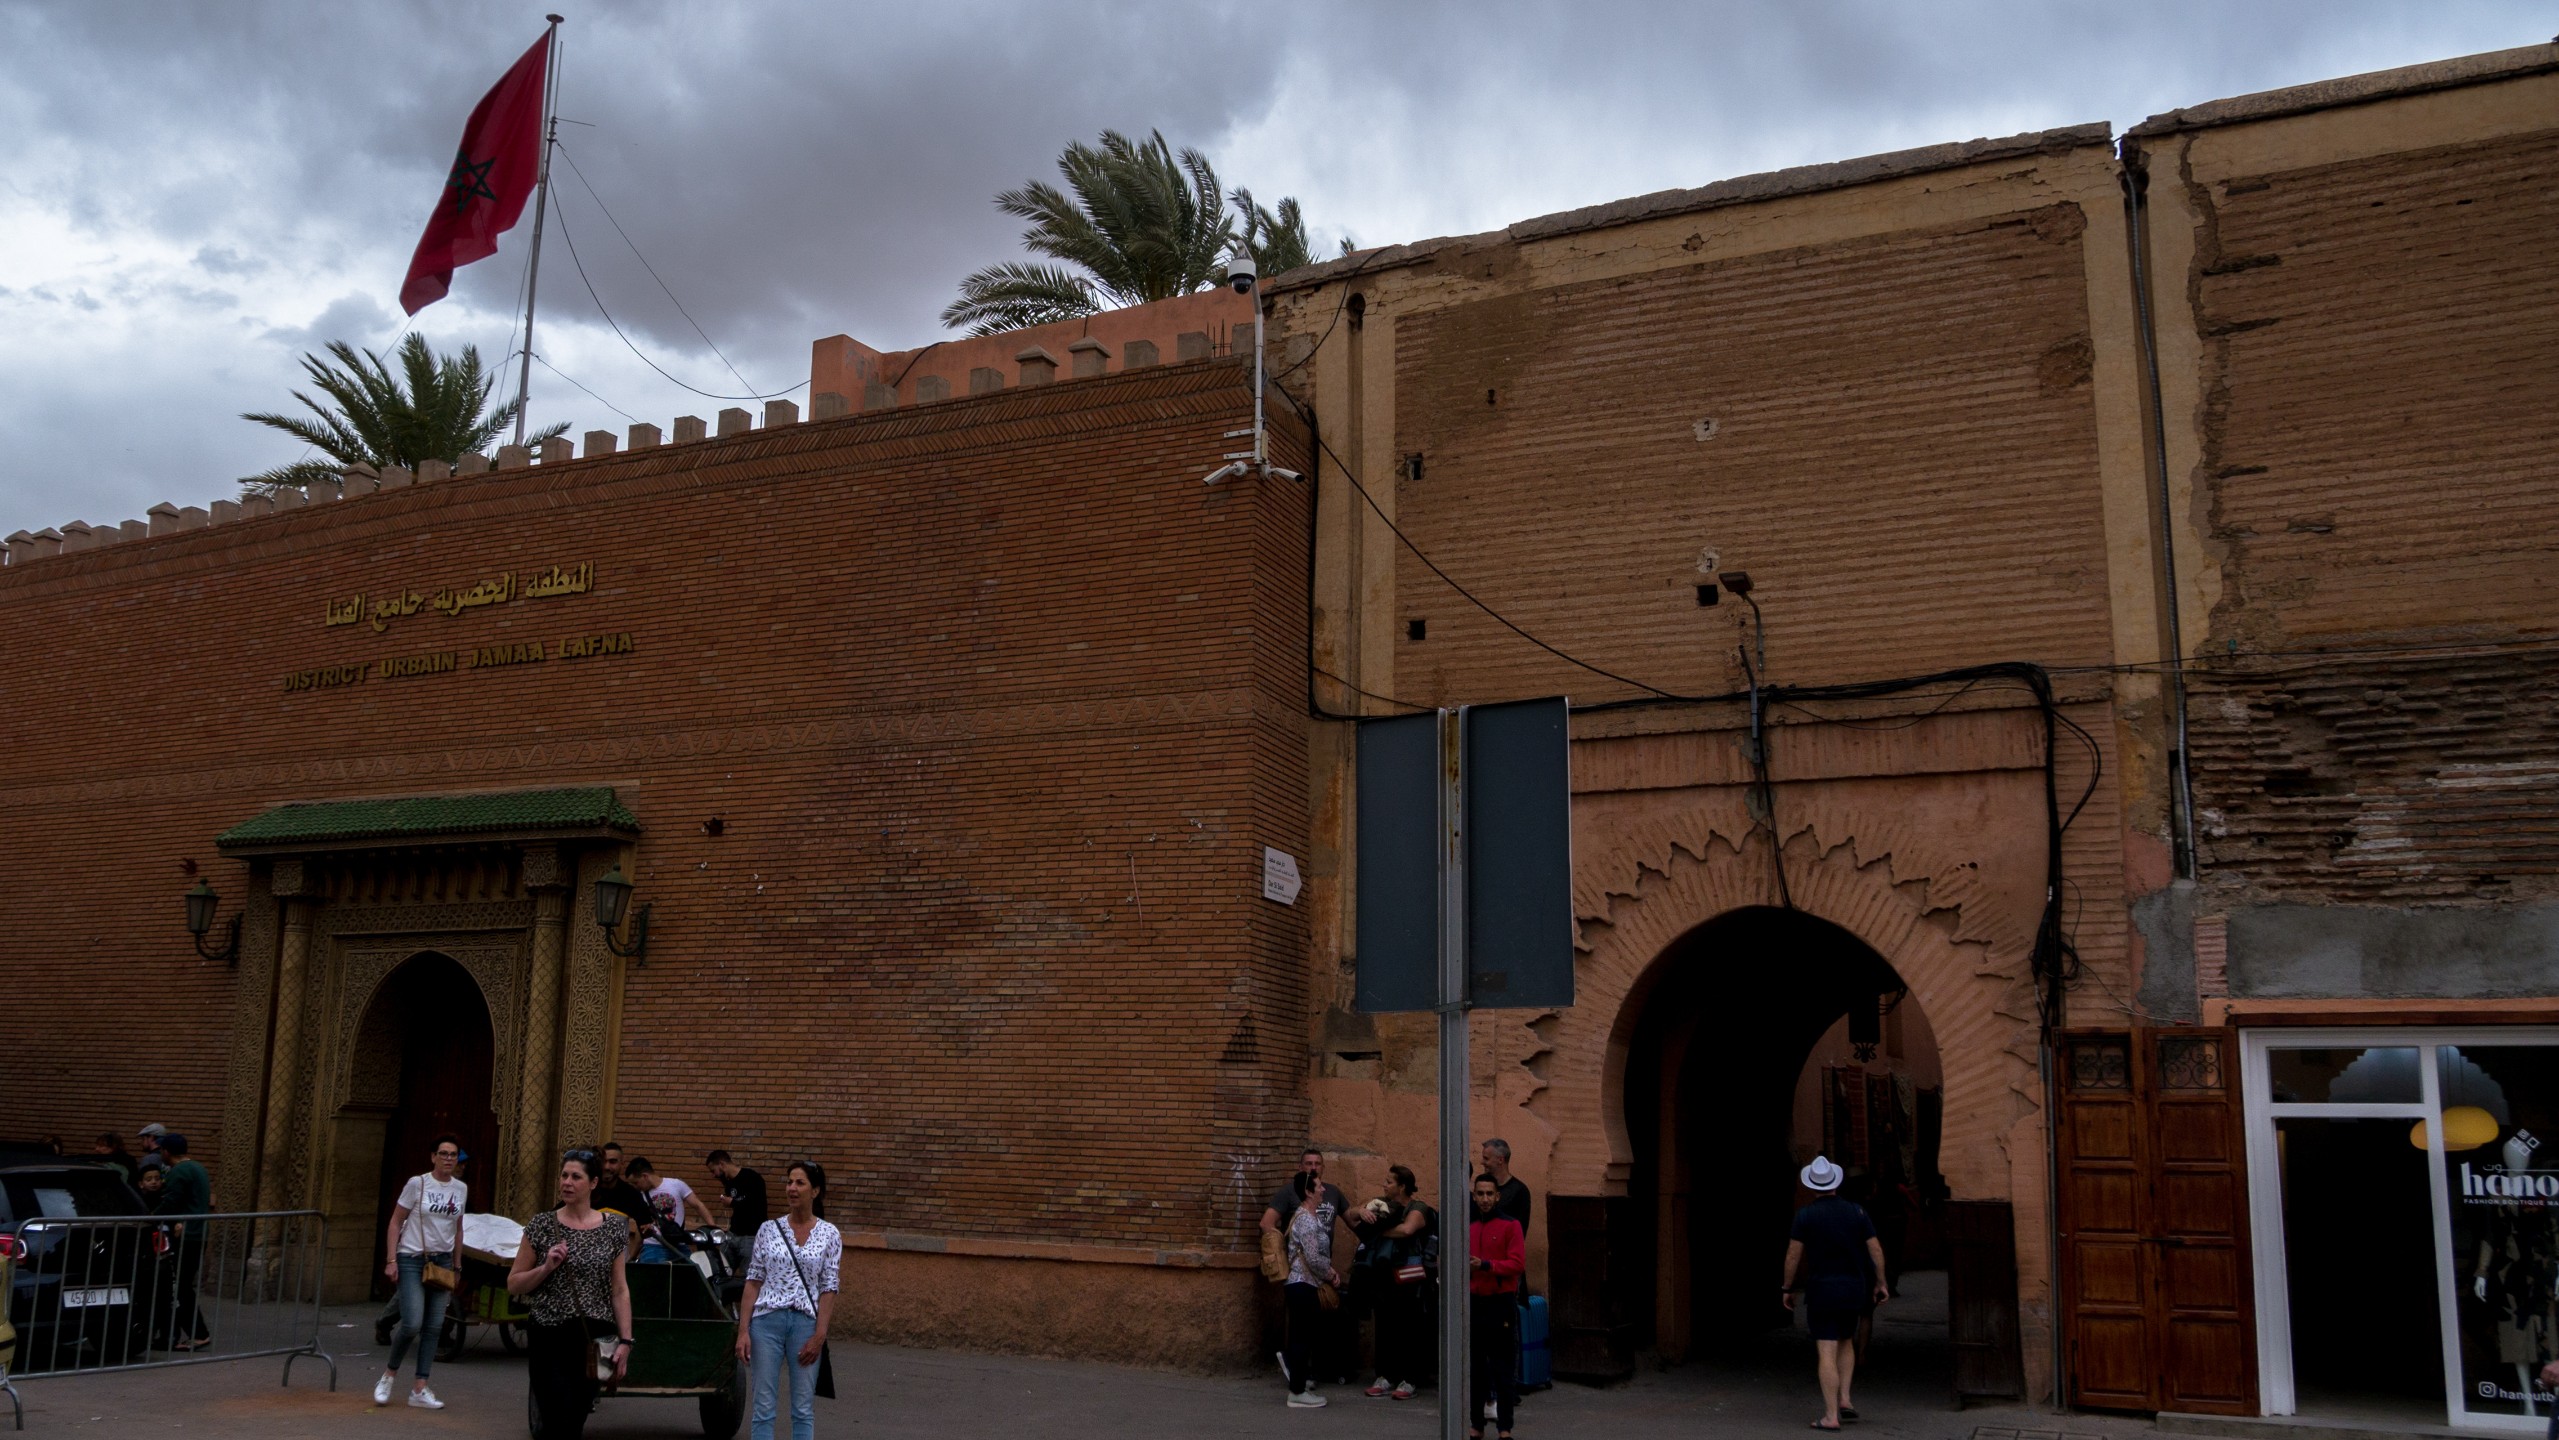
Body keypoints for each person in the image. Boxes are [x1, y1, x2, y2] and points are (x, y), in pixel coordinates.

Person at [510, 1149, 634, 1440]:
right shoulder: (541, 1225)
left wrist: (626, 1341)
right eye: (564, 1175)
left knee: (576, 1419)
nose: (567, 1182)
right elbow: (514, 1284)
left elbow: (619, 1289)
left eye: (576, 1177)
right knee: (555, 1417)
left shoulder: (613, 1228)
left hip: (594, 1337)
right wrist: (546, 1267)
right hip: (549, 1333)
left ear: (593, 1183)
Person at [1781, 1155, 1889, 1432]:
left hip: (1822, 1290)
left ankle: (1830, 1416)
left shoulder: (1805, 1215)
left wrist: (1787, 1287)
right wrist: (1881, 1282)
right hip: (1853, 1288)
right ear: (1835, 1183)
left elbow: (1793, 1255)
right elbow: (1875, 1249)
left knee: (1826, 1350)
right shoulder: (1857, 1212)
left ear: (1811, 1186)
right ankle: (1845, 1399)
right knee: (1846, 1341)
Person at [734, 1161, 841, 1440]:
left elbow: (829, 1288)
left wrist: (820, 1334)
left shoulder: (829, 1234)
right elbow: (753, 1281)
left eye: (800, 1183)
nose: (792, 1188)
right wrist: (743, 1331)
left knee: (803, 1409)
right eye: (789, 1182)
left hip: (805, 1325)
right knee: (763, 1406)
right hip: (766, 1323)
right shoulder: (768, 1229)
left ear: (815, 1191)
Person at [373, 1135, 465, 1409]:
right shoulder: (418, 1183)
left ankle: (420, 1387)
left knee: (434, 1326)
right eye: (443, 1153)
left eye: (453, 1154)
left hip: (442, 1262)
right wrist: (391, 1260)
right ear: (433, 1157)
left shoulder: (460, 1188)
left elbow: (458, 1229)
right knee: (412, 1323)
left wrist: (457, 1265)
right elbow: (395, 1221)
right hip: (412, 1258)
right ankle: (388, 1375)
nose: (448, 1158)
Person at [1354, 1165, 1436, 1400]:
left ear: (1402, 1187)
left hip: (1410, 1279)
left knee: (1409, 1329)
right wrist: (1362, 1212)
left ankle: (1410, 1379)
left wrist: (1375, 1231)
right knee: (1385, 1327)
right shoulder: (1380, 1203)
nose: (1384, 1185)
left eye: (1389, 1182)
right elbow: (1351, 1215)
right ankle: (1385, 1376)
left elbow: (1407, 1230)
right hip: (1384, 1277)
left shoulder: (1418, 1208)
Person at [1467, 1176, 1525, 1440]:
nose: (1485, 1199)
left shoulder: (1511, 1225)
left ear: (1497, 1196)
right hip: (1475, 1301)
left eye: (1489, 1194)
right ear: (1474, 1196)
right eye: (1480, 1194)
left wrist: (1486, 1265)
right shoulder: (1470, 1227)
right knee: (1476, 1369)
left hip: (1500, 1302)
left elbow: (1517, 1264)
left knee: (1503, 1368)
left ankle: (1505, 1427)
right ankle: (1477, 1424)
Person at [1278, 1171, 1344, 1408]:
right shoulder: (1306, 1219)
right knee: (1302, 1338)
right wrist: (1331, 1274)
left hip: (1305, 1284)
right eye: (1318, 1186)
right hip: (1302, 1284)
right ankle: (1297, 1391)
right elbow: (1314, 1258)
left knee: (1303, 1336)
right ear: (1308, 1191)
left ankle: (1298, 1385)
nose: (1323, 1190)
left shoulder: (1309, 1216)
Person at [158, 1134, 213, 1351]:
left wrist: (149, 1217)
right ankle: (196, 1332)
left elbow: (171, 1202)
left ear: (166, 1151)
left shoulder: (179, 1172)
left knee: (180, 1286)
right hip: (198, 1233)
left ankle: (198, 1333)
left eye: (162, 1150)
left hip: (185, 1235)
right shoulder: (198, 1168)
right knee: (183, 1285)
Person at [590, 1142, 654, 1259]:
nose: (607, 1167)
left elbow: (645, 1226)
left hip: (618, 1264)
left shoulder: (630, 1194)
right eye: (603, 1161)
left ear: (622, 1164)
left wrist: (648, 1229)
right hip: (588, 1262)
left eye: (613, 1162)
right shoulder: (587, 1190)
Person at [709, 1150, 768, 1268]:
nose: (713, 1175)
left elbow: (756, 1205)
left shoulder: (751, 1178)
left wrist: (732, 1202)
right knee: (720, 1269)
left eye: (713, 1170)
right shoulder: (729, 1183)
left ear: (721, 1164)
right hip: (733, 1234)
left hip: (751, 1236)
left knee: (750, 1273)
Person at [1475, 1139, 1531, 1230]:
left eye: (1486, 1158)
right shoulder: (1481, 1186)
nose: (1482, 1162)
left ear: (1500, 1160)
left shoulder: (1519, 1191)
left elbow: (1519, 1232)